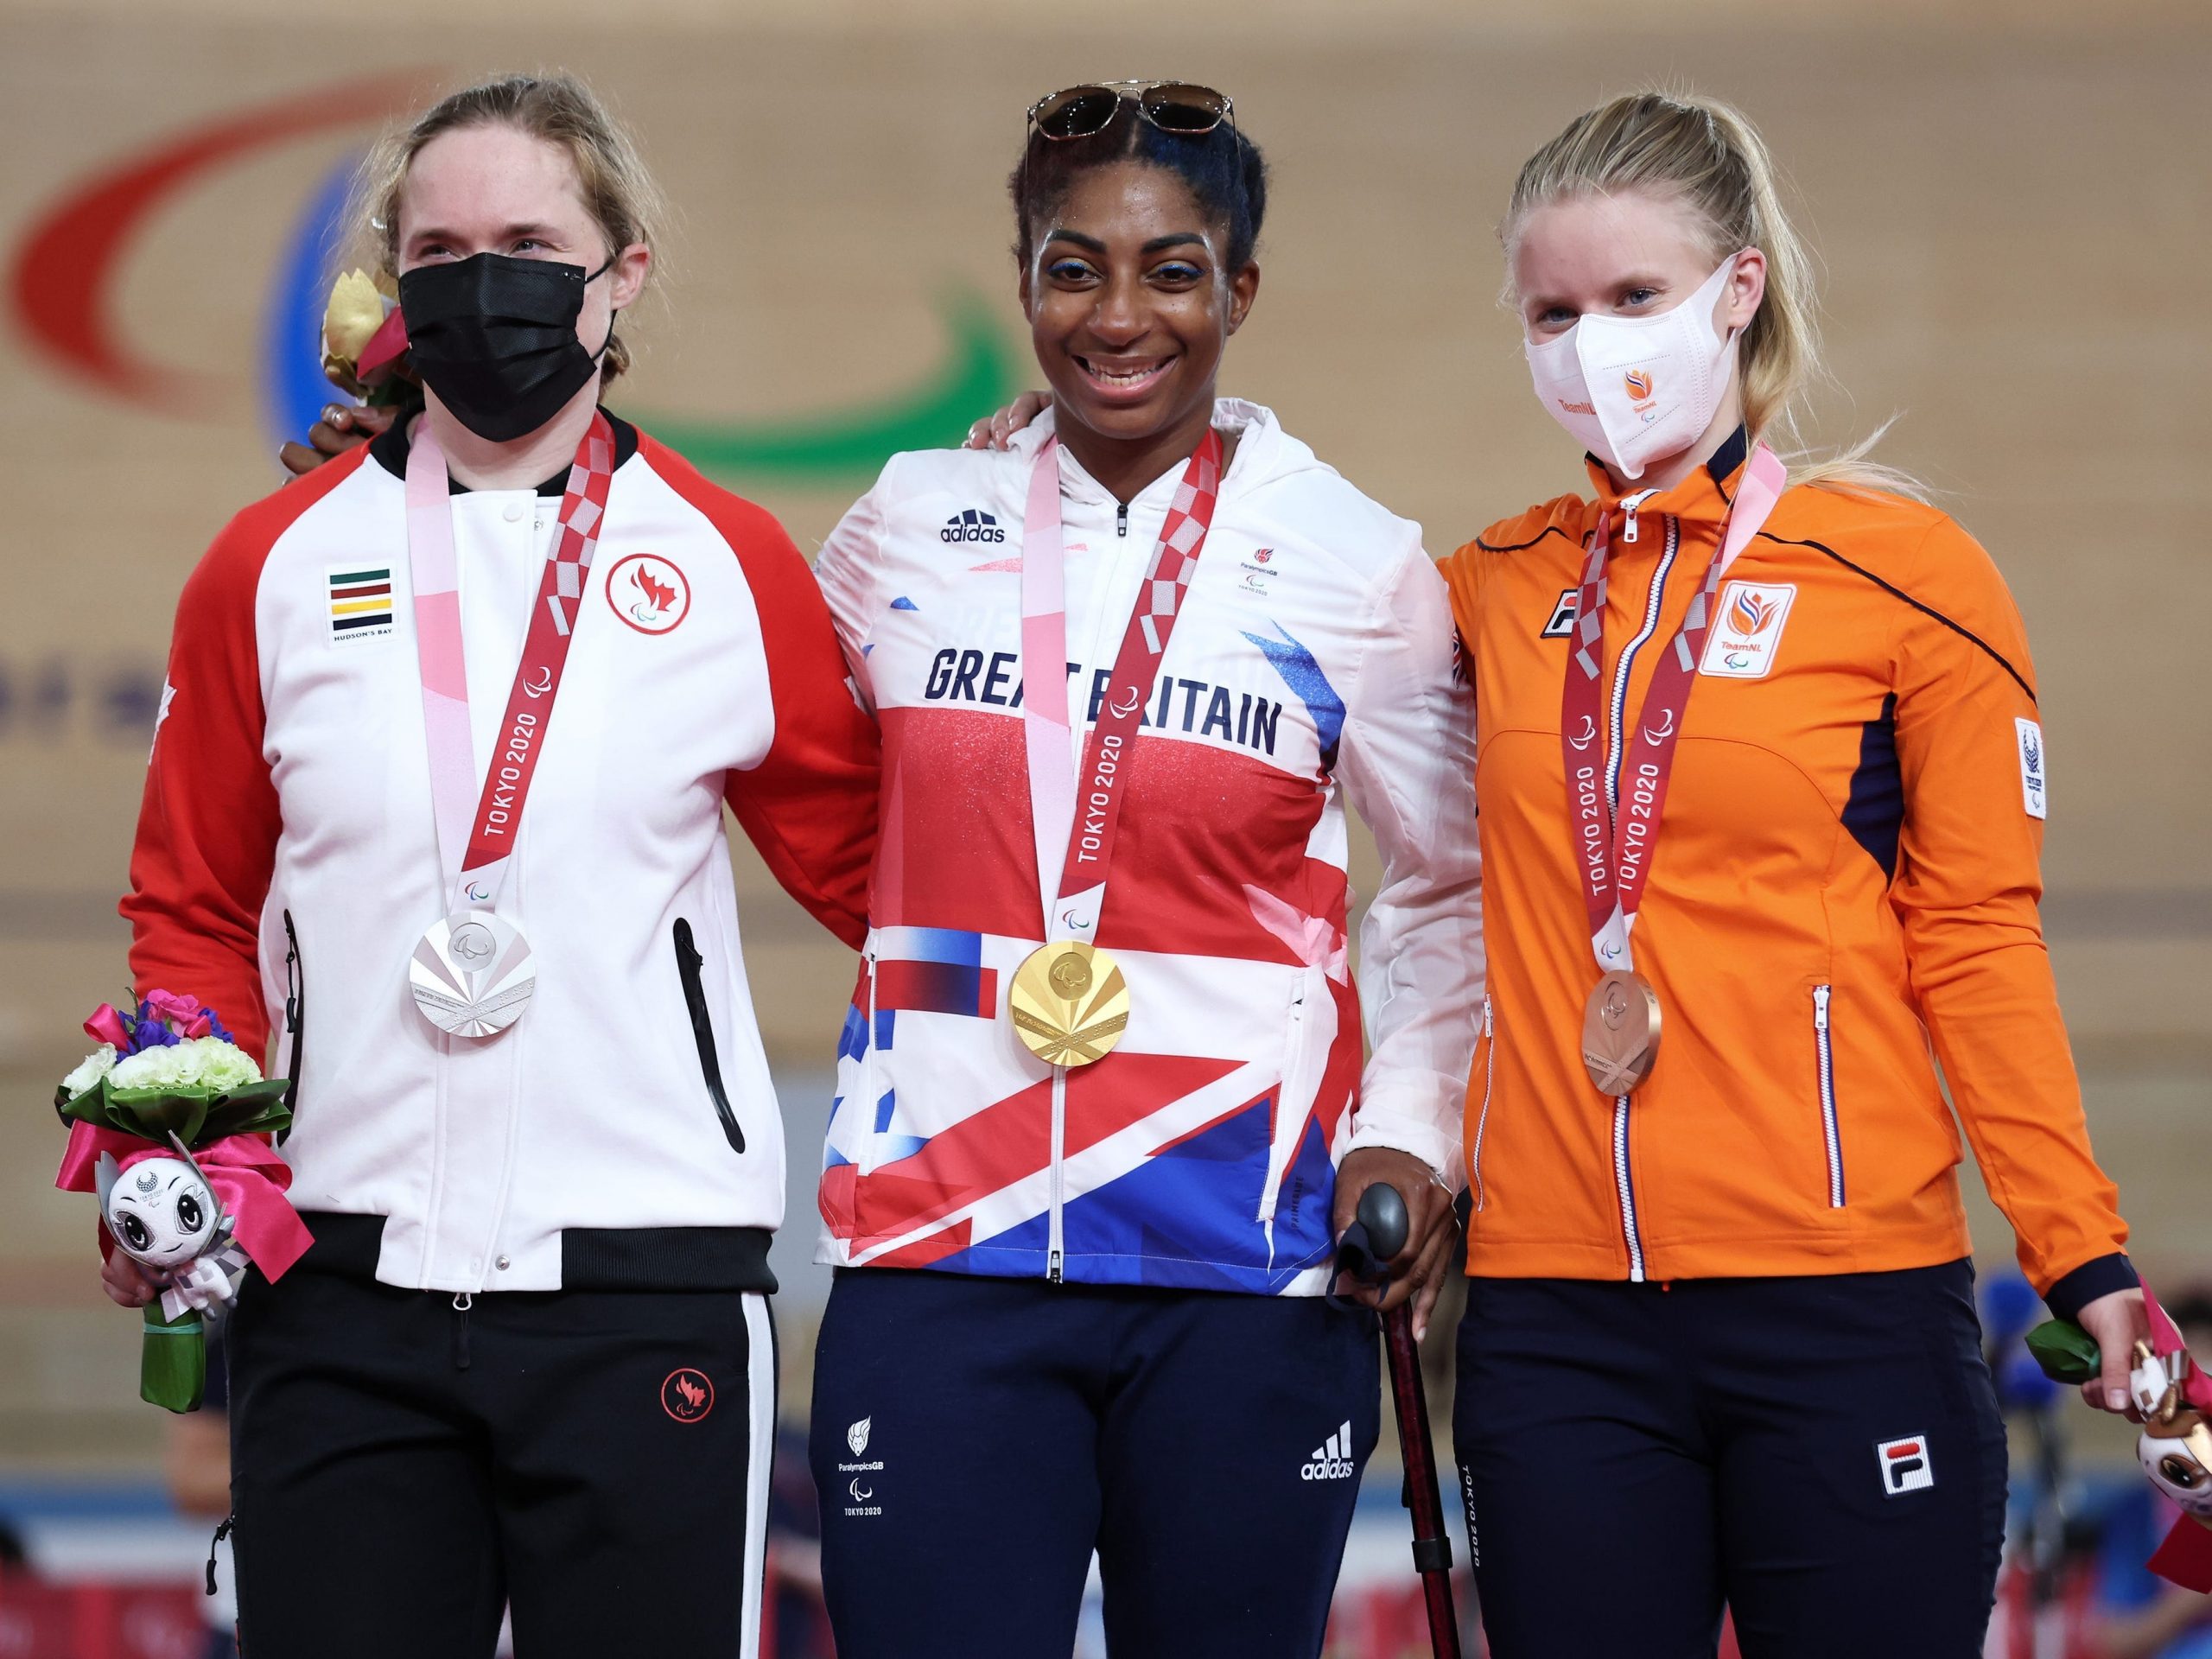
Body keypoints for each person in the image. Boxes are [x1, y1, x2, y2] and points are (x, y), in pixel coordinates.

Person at [101, 72, 877, 1659]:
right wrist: (172, 1149)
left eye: (531, 238)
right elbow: (189, 901)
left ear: (623, 271)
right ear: (394, 285)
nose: (486, 279)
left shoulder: (728, 565)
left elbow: (886, 880)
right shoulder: (274, 565)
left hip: (648, 1285)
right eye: (440, 248)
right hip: (334, 1282)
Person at [1434, 89, 2145, 1657]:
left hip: (1844, 1306)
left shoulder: (1907, 576)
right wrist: (1048, 468)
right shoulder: (1483, 590)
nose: (1589, 345)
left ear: (1737, 290)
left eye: (1634, 299)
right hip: (1555, 1320)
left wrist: (2077, 1249)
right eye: (1553, 311)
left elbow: (1978, 938)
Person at [804, 82, 1480, 1657]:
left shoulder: (1356, 559)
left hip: (1244, 1264)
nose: (1121, 316)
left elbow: (1447, 885)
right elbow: (766, 746)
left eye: (1172, 271)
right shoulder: (911, 521)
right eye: (1071, 267)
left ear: (1238, 292)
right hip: (937, 1246)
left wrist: (1412, 1138)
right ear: (1024, 276)